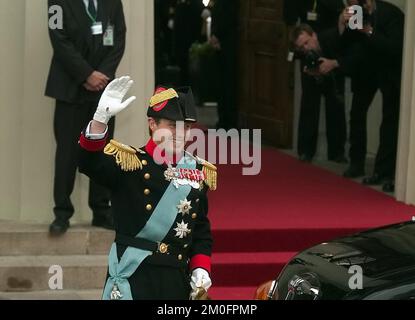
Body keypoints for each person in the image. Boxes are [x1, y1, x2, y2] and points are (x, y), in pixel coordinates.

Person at [78, 76, 215, 300]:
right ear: (153, 124)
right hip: (135, 277)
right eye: (173, 126)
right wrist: (100, 119)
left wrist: (201, 267)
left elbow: (200, 230)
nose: (181, 134)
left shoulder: (197, 171)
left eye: (187, 127)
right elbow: (87, 163)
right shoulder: (129, 162)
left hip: (175, 281)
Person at [45, 0, 126, 235]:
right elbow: (58, 40)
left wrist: (103, 75)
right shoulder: (56, 2)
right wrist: (86, 74)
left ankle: (101, 211)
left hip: (103, 89)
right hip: (69, 87)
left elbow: (118, 37)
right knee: (67, 153)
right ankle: (62, 212)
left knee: (102, 149)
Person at [339, 0, 404, 193]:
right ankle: (356, 163)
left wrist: (367, 31)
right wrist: (343, 24)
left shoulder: (392, 14)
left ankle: (383, 171)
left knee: (389, 121)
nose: (355, 6)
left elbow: (395, 48)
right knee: (357, 114)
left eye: (357, 2)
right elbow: (346, 46)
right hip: (366, 71)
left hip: (390, 73)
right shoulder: (356, 14)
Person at [283, 0, 347, 163]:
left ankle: (337, 151)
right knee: (309, 103)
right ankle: (306, 150)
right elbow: (289, 17)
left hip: (331, 49)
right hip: (307, 50)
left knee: (335, 103)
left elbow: (340, 16)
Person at [210, 0, 239, 130]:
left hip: (228, 43)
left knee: (228, 84)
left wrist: (216, 34)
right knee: (220, 84)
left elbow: (227, 17)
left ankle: (229, 122)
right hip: (221, 44)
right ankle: (222, 120)